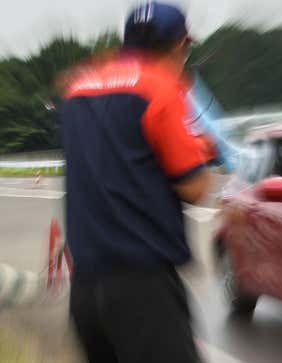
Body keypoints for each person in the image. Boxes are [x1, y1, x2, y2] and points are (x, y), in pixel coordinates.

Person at [59, 2, 213, 362]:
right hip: (142, 286)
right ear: (179, 46)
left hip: (84, 287)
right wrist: (202, 148)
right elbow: (195, 187)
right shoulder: (161, 88)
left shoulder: (78, 89)